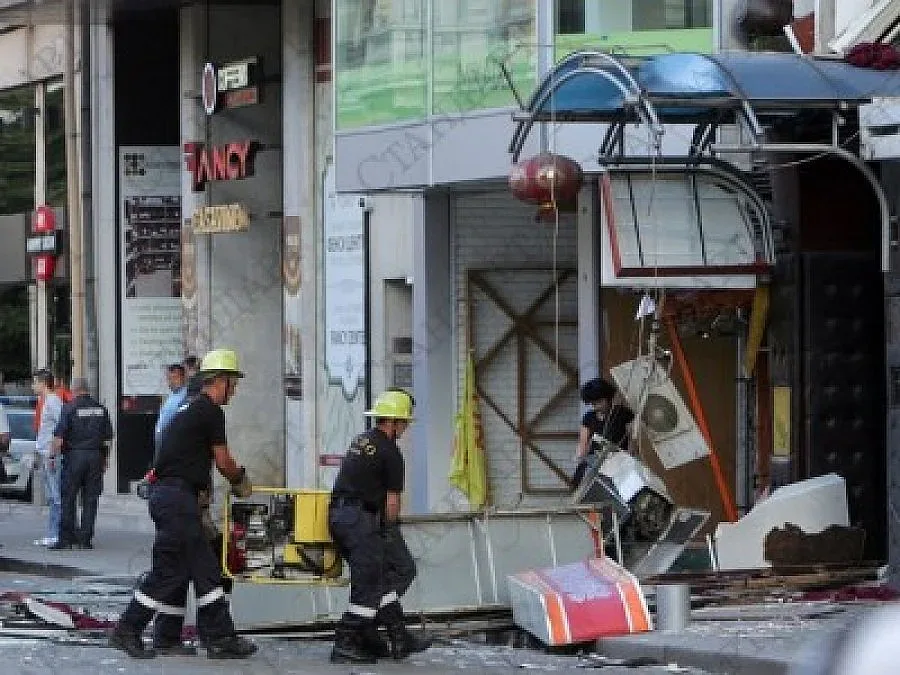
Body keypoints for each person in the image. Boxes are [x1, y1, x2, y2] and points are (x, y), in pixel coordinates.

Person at [110, 349, 257, 660]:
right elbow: (223, 460)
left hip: (173, 498)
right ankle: (128, 629)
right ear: (220, 382)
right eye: (233, 383)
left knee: (201, 570)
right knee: (169, 572)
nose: (236, 390)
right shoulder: (210, 411)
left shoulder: (188, 407)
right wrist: (240, 481)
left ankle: (187, 637)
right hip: (177, 500)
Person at [328, 389, 431, 664]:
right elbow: (392, 503)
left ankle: (399, 638)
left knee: (379, 578)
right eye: (404, 422)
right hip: (361, 521)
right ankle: (347, 640)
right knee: (371, 584)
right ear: (395, 422)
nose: (406, 428)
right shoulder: (391, 453)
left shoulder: (360, 440)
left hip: (340, 518)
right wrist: (388, 530)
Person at [50, 378, 113, 550]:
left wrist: (52, 457)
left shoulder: (69, 407)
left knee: (68, 497)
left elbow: (59, 437)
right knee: (90, 499)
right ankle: (85, 539)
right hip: (95, 456)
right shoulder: (101, 409)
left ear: (74, 390)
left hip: (74, 457)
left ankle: (66, 538)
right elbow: (107, 439)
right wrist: (105, 459)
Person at [572, 377, 635, 489]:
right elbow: (583, 444)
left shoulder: (623, 414)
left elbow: (632, 441)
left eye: (600, 402)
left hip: (618, 464)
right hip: (594, 464)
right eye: (593, 403)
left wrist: (628, 462)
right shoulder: (589, 417)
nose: (597, 406)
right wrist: (580, 457)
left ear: (608, 398)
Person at [32, 370, 64, 547]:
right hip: (45, 453)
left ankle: (56, 534)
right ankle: (52, 533)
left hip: (51, 455)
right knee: (52, 496)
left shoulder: (52, 401)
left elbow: (61, 426)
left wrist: (53, 451)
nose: (33, 386)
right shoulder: (44, 401)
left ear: (43, 383)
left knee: (55, 495)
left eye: (35, 382)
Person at [153, 363, 186, 460]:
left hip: (173, 446)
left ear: (182, 377)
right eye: (169, 379)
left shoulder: (185, 397)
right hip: (164, 445)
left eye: (174, 378)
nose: (170, 382)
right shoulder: (171, 396)